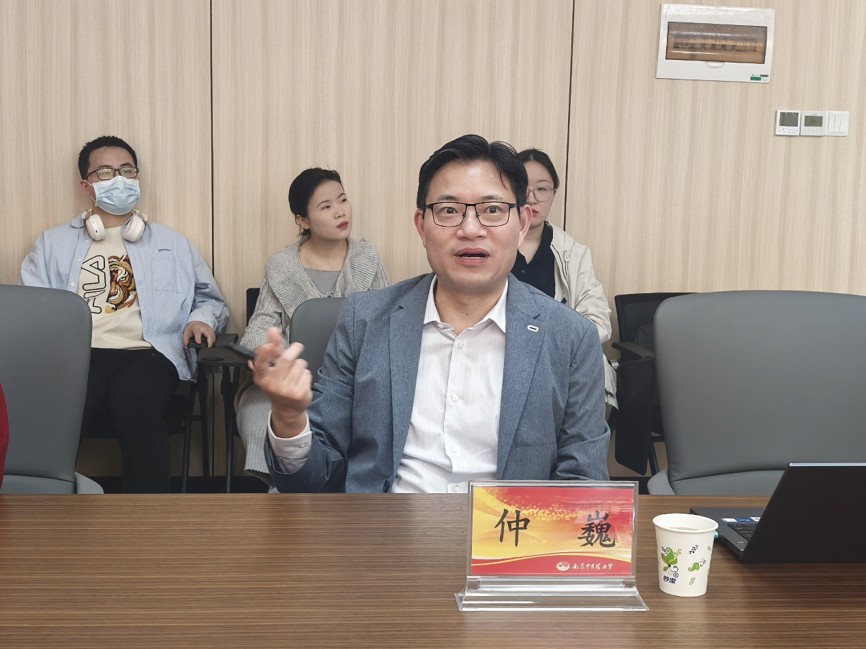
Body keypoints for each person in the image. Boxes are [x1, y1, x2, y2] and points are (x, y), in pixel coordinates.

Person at [253, 134, 610, 493]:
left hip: (511, 527)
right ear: (422, 226)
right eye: (449, 211)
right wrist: (289, 419)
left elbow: (582, 484)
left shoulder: (570, 337)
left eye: (492, 210)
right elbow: (314, 479)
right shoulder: (364, 320)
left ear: (522, 223)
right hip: (385, 525)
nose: (470, 229)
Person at [20, 135, 228, 493]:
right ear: (86, 186)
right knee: (56, 415)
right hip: (76, 357)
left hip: (148, 354)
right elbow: (33, 309)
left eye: (127, 170)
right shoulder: (51, 244)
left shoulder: (172, 243)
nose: (119, 179)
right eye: (105, 172)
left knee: (136, 404)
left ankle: (146, 519)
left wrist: (201, 320)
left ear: (137, 177)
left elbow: (211, 299)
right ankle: (40, 510)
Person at [236, 167, 389, 483]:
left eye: (342, 200)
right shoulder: (281, 266)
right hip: (288, 384)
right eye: (326, 206)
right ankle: (283, 492)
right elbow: (260, 326)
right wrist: (265, 353)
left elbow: (387, 324)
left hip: (352, 386)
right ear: (303, 220)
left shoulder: (367, 259)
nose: (340, 212)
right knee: (261, 420)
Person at [512, 148, 616, 407]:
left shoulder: (573, 253)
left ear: (553, 194)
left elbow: (598, 323)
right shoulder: (489, 245)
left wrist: (550, 345)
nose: (531, 198)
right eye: (523, 187)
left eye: (542, 189)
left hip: (557, 367)